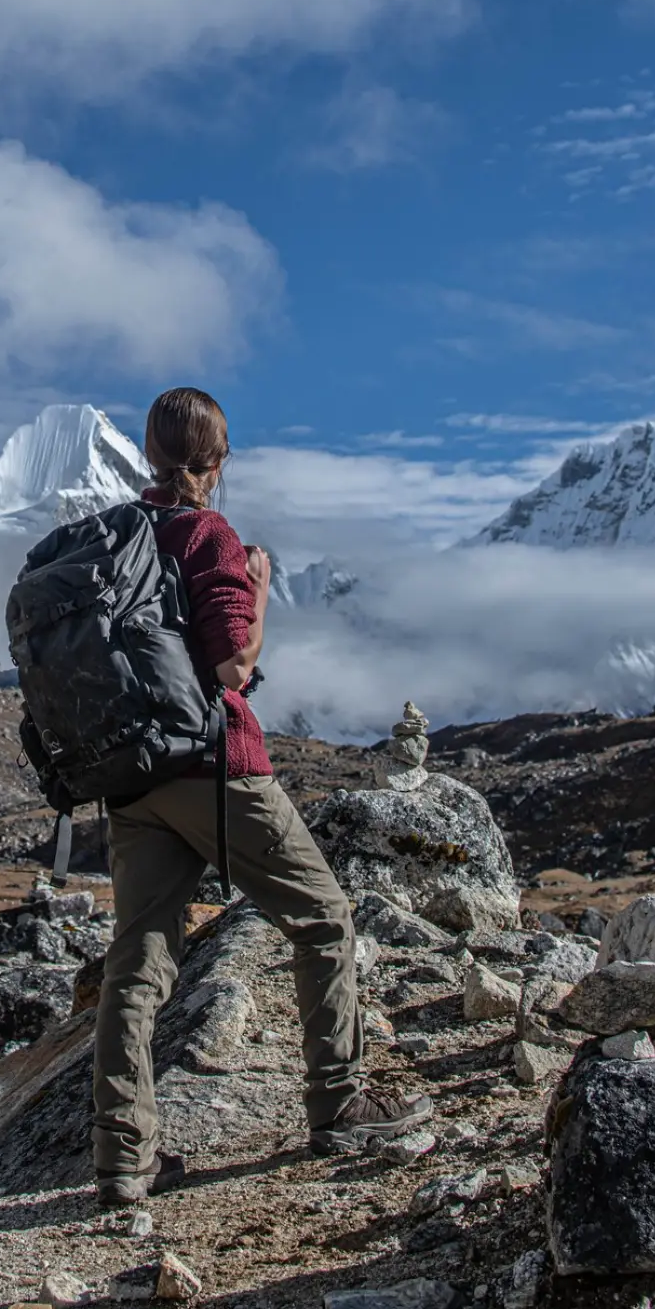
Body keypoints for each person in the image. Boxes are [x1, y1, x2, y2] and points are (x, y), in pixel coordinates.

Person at [90, 387, 429, 1208]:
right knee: (324, 919)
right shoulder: (208, 534)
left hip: (132, 778)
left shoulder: (114, 535)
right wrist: (261, 587)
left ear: (146, 455)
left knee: (136, 960)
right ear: (216, 463)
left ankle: (123, 1157)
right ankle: (340, 1102)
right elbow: (233, 664)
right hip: (216, 767)